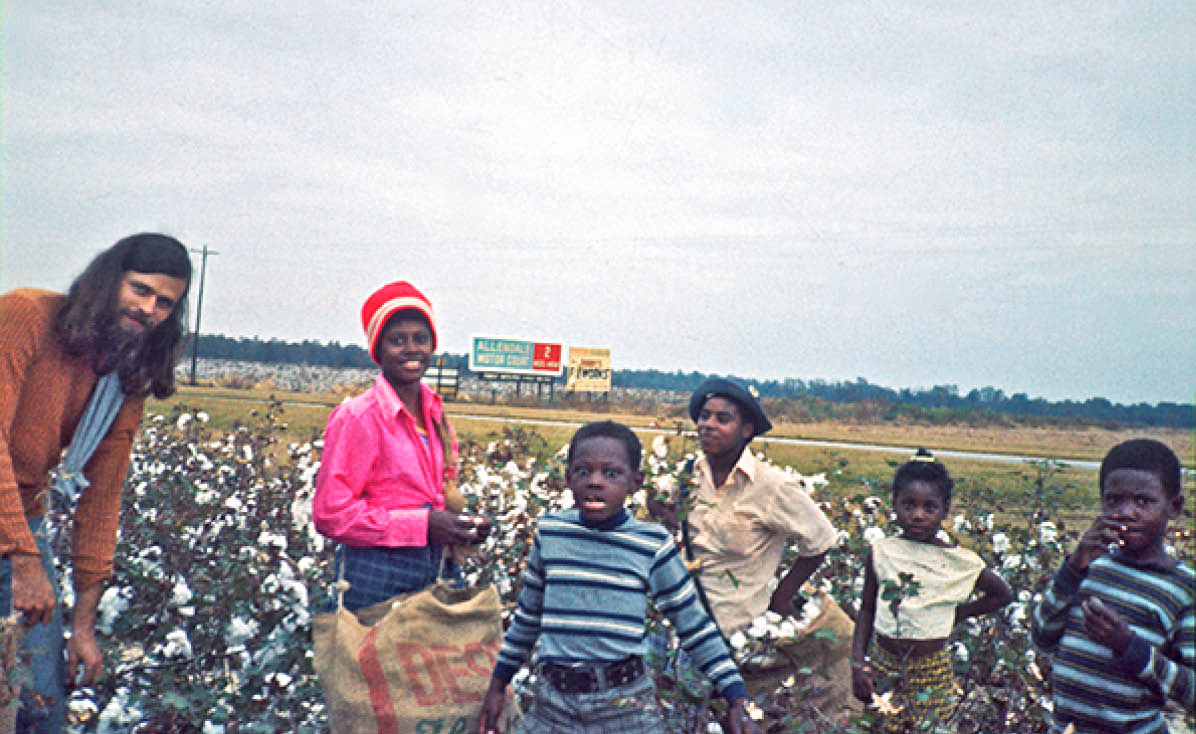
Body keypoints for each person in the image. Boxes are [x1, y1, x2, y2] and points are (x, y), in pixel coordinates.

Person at [0, 233, 191, 731]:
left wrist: (83, 623)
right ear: (109, 280)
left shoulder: (125, 371)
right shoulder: (24, 317)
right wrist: (24, 560)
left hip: (21, 523)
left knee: (41, 707)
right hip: (14, 535)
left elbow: (102, 497)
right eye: (140, 289)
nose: (149, 308)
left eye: (164, 302)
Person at [478, 421, 758, 734]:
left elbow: (693, 625)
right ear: (568, 478)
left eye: (611, 474)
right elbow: (527, 620)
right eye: (583, 471)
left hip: (624, 706)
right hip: (553, 704)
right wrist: (497, 686)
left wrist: (736, 698)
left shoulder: (650, 544)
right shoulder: (552, 533)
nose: (595, 482)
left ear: (635, 482)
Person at [646, 376, 858, 722]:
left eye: (722, 418)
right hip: (684, 627)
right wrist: (666, 513)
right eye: (704, 416)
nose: (708, 425)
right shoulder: (687, 475)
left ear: (746, 430)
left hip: (737, 635)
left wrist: (783, 595)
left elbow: (821, 539)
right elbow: (660, 506)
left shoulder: (772, 486)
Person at [313, 280, 490, 611]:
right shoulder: (358, 417)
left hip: (435, 566)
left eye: (421, 339)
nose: (412, 349)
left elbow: (435, 497)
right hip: (375, 575)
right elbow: (331, 514)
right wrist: (421, 525)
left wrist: (463, 526)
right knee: (370, 662)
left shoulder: (435, 414)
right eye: (397, 341)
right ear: (378, 351)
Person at [1031, 438, 1192, 734]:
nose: (1126, 512)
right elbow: (1042, 638)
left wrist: (1129, 646)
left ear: (1175, 506)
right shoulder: (1089, 567)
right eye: (1113, 500)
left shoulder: (1183, 589)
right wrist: (1073, 567)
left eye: (1143, 501)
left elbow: (1192, 692)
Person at [851, 448, 1013, 732]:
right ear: (894, 505)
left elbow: (1002, 594)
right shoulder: (882, 551)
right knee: (881, 725)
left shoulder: (958, 562)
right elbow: (867, 608)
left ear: (945, 510)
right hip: (883, 666)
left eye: (929, 508)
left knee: (932, 727)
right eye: (909, 505)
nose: (918, 515)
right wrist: (857, 662)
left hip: (932, 671)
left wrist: (955, 614)